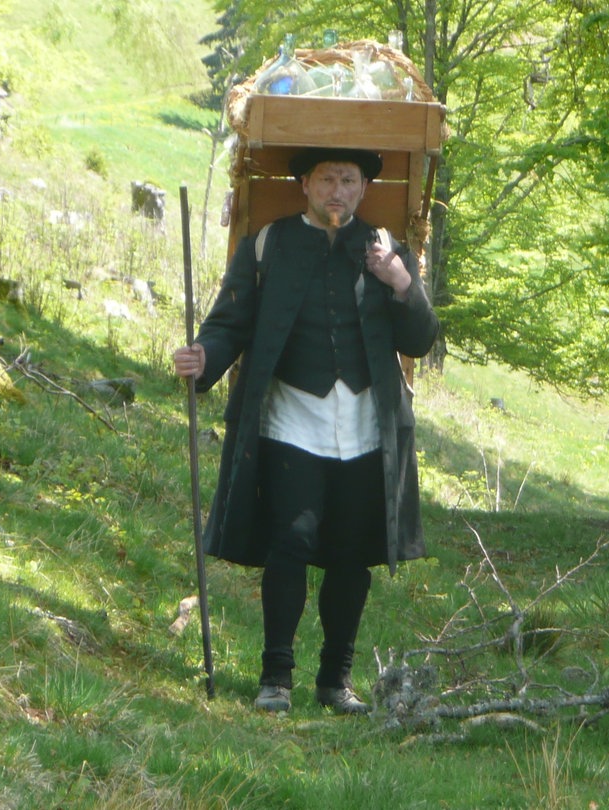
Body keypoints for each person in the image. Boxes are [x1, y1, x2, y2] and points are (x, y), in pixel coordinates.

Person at [173, 146, 439, 715]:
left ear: (364, 188)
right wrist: (204, 358)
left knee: (351, 554)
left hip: (366, 425)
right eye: (326, 179)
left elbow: (420, 340)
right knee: (289, 542)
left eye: (348, 180)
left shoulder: (386, 249)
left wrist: (400, 283)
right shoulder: (268, 244)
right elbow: (229, 322)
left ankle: (335, 681)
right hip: (291, 419)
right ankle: (276, 677)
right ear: (304, 184)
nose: (337, 191)